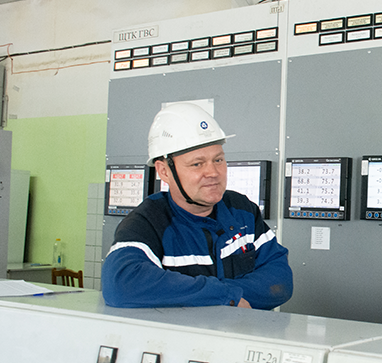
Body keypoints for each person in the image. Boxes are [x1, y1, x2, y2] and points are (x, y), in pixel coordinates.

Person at [101, 102, 293, 309]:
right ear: (164, 171)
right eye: (197, 164)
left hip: (241, 329)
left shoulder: (242, 210)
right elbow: (121, 285)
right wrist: (226, 296)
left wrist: (219, 295)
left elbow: (279, 282)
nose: (213, 173)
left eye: (218, 160)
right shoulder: (148, 222)